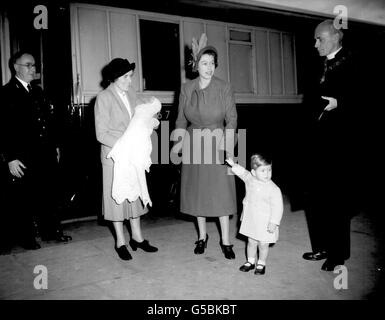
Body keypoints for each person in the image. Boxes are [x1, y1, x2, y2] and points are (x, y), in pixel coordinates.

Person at [173, 40, 238, 259]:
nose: (209, 68)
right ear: (196, 65)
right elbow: (181, 120)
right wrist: (178, 146)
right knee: (197, 193)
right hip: (193, 143)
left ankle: (226, 241)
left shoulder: (224, 87)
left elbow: (232, 119)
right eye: (204, 63)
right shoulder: (186, 88)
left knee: (221, 192)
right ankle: (202, 236)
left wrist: (227, 148)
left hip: (218, 141)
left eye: (212, 63)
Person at [0, 51, 72, 250]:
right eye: (28, 65)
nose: (33, 69)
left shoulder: (38, 91)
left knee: (49, 193)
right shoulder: (6, 93)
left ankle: (51, 231)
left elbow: (48, 122)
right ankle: (26, 237)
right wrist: (10, 158)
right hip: (23, 156)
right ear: (16, 67)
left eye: (34, 65)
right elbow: (3, 129)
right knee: (25, 198)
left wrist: (55, 146)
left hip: (45, 153)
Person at [302, 20, 357, 271]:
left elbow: (370, 98)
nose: (315, 44)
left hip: (340, 144)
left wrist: (341, 104)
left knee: (336, 200)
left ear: (336, 37)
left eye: (319, 39)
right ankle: (321, 247)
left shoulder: (354, 62)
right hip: (316, 142)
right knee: (315, 197)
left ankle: (338, 254)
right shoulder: (317, 64)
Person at [94, 58, 158, 261]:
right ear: (114, 78)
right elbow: (101, 134)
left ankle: (137, 238)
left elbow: (143, 115)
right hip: (115, 155)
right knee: (117, 198)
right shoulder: (103, 98)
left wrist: (152, 121)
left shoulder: (131, 93)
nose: (130, 81)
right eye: (126, 77)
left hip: (133, 154)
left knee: (135, 194)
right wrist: (126, 142)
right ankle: (120, 241)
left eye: (131, 76)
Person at [226, 155, 283, 275]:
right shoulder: (250, 179)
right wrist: (233, 164)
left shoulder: (274, 189)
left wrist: (274, 222)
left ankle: (261, 263)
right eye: (263, 170)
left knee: (263, 244)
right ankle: (250, 261)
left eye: (269, 170)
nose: (267, 173)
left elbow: (278, 207)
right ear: (254, 172)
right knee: (251, 241)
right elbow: (243, 172)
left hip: (265, 222)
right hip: (251, 219)